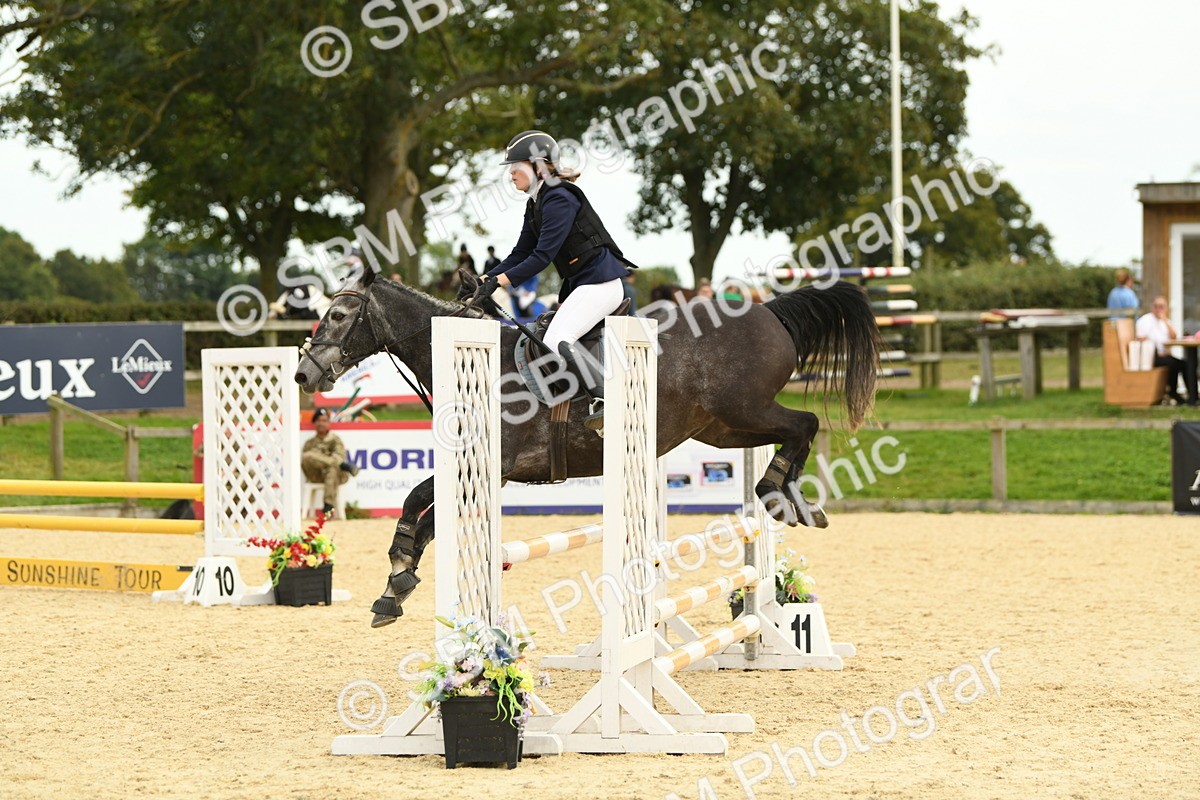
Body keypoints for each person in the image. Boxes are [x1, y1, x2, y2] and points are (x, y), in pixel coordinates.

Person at [465, 130, 637, 432]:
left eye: (516, 166)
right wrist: (483, 279)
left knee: (557, 339)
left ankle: (605, 401)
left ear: (538, 166)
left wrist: (499, 282)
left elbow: (542, 257)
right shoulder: (536, 203)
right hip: (585, 285)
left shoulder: (558, 197)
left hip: (601, 283)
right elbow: (520, 253)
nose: (511, 174)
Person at [1136, 296, 1198, 406]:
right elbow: (1141, 340)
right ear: (1152, 307)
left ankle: (1192, 397)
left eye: (1161, 307)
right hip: (1151, 356)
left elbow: (1173, 337)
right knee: (1174, 364)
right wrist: (1156, 352)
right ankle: (1174, 392)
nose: (1158, 309)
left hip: (1164, 355)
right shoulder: (1145, 320)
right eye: (1156, 306)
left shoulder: (1165, 321)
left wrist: (1165, 320)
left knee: (1184, 364)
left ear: (1166, 308)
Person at [301, 409, 359, 516]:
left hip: (336, 476)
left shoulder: (335, 440)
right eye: (318, 420)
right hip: (316, 475)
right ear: (314, 423)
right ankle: (343, 465)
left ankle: (328, 505)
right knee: (308, 456)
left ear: (328, 423)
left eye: (324, 421)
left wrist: (328, 463)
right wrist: (335, 462)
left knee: (332, 469)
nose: (321, 424)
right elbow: (305, 462)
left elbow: (340, 455)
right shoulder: (309, 443)